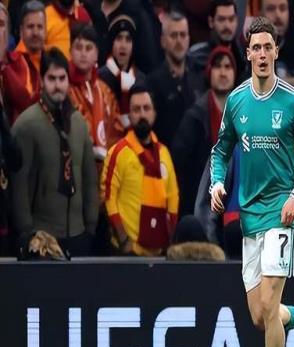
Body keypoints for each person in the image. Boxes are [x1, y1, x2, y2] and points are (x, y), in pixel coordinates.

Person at [210, 16, 294, 347]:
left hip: (282, 215)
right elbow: (220, 150)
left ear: (276, 51)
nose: (262, 54)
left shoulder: (293, 101)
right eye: (255, 48)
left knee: (270, 299)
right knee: (261, 316)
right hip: (249, 218)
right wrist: (217, 184)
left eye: (267, 47)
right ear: (248, 54)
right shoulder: (237, 102)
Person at [11, 47, 98, 257]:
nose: (57, 85)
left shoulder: (79, 122)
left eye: (62, 78)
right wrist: (27, 232)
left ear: (68, 80)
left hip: (78, 234)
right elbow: (19, 184)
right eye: (51, 78)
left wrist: (90, 225)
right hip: (42, 237)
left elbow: (89, 178)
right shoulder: (26, 125)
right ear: (42, 81)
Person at [101, 84, 179, 256]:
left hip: (159, 252)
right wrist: (123, 240)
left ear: (154, 113)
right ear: (129, 115)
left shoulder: (164, 153)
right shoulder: (118, 152)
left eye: (146, 108)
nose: (142, 114)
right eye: (136, 109)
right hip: (127, 253)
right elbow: (108, 198)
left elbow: (173, 198)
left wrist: (170, 240)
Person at [172, 46, 237, 218]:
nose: (223, 73)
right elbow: (178, 161)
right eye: (217, 66)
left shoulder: (243, 116)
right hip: (198, 203)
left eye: (228, 67)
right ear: (209, 72)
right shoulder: (195, 117)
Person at [68, 23, 123, 164]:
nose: (83, 53)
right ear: (70, 51)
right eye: (78, 48)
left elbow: (117, 131)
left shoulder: (105, 91)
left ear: (97, 54)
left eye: (88, 48)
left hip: (106, 166)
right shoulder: (65, 89)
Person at [147, 10, 201, 147]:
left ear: (189, 39)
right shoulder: (152, 83)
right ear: (163, 41)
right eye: (173, 35)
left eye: (183, 35)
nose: (179, 41)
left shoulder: (199, 79)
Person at [1, 0, 45, 124]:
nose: (35, 32)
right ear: (20, 31)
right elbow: (26, 105)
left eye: (40, 27)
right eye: (30, 27)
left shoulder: (51, 61)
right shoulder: (15, 61)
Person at [98, 14, 145, 130]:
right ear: (111, 43)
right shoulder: (100, 77)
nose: (123, 45)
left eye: (128, 40)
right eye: (119, 38)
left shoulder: (141, 80)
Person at [188, 0, 246, 84]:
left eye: (231, 19)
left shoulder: (244, 58)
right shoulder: (196, 57)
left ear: (236, 21)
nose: (227, 26)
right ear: (211, 22)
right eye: (221, 20)